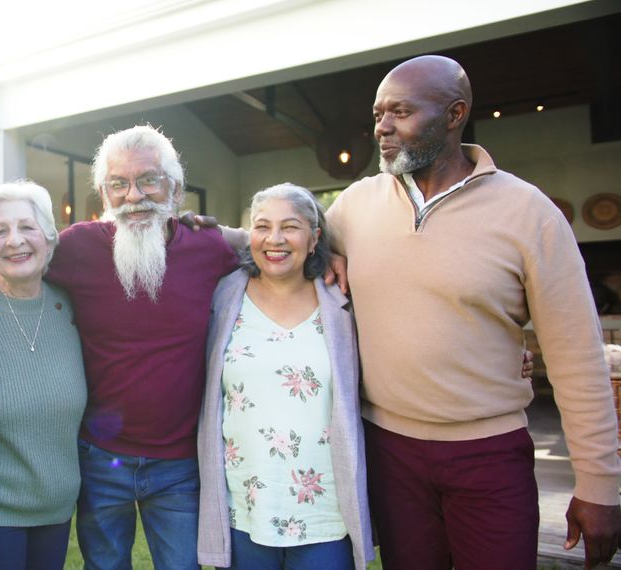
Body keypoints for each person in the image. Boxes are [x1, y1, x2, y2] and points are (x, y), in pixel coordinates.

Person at [325, 55, 621, 569]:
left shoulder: (529, 213)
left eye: (400, 112)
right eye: (378, 114)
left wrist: (600, 484)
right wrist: (199, 231)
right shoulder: (353, 206)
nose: (382, 128)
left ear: (454, 113)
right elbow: (278, 251)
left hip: (488, 453)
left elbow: (577, 356)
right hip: (389, 451)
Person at [43, 125, 241, 569]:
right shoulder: (77, 247)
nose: (134, 195)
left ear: (174, 187)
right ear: (104, 192)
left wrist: (334, 256)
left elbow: (277, 243)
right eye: (118, 183)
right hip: (101, 460)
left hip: (180, 465)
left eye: (148, 179)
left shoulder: (208, 247)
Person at [198, 184, 372, 569]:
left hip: (324, 510)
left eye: (290, 227)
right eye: (263, 226)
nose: (274, 239)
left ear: (314, 239)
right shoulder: (223, 297)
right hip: (245, 505)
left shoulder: (344, 300)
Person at [0, 181, 87, 569]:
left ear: (49, 238)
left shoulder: (73, 307)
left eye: (27, 227)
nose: (15, 241)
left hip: (56, 510)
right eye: (0, 230)